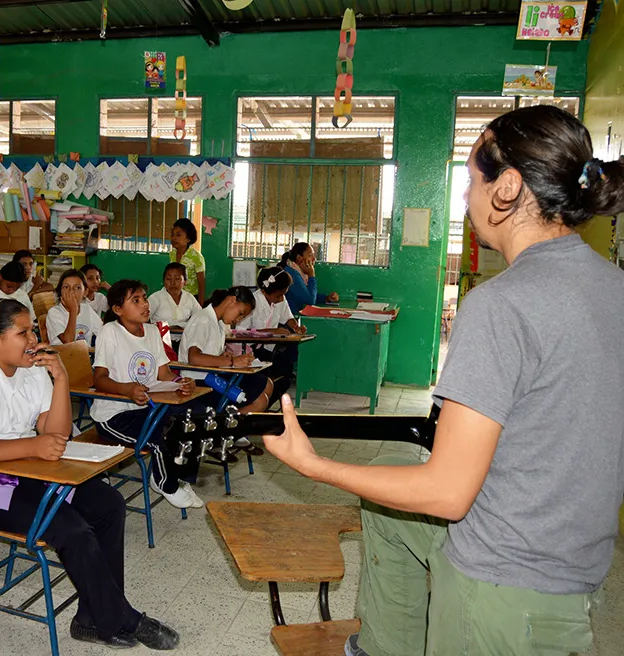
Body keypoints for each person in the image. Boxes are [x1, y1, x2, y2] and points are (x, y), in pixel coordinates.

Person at [264, 105, 624, 656]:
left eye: (472, 178)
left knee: (406, 485)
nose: (464, 197)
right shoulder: (611, 284)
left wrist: (313, 464)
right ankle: (384, 645)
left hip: (500, 586)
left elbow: (448, 493)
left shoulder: (502, 303)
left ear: (506, 188)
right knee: (389, 493)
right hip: (573, 563)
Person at [0, 298, 179, 650]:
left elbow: (56, 434)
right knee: (70, 527)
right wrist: (30, 447)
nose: (33, 339)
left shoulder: (31, 369)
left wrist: (59, 378)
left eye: (33, 330)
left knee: (109, 504)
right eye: (23, 332)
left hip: (27, 471)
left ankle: (92, 618)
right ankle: (123, 618)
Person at [92, 280, 201, 510]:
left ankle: (179, 477)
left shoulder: (152, 331)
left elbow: (163, 372)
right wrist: (127, 390)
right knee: (161, 434)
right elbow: (99, 378)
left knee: (194, 419)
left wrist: (180, 382)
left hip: (148, 406)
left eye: (144, 298)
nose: (145, 305)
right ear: (117, 310)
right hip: (115, 413)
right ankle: (164, 482)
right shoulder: (109, 332)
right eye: (136, 300)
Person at [178, 286, 273, 415]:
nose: (238, 320)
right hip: (199, 381)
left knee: (267, 384)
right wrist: (232, 361)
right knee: (260, 401)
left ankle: (231, 428)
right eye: (240, 313)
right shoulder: (203, 319)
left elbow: (208, 353)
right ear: (231, 301)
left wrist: (224, 356)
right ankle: (228, 430)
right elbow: (194, 357)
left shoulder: (219, 323)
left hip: (213, 375)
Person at [237, 266, 306, 403]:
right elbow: (239, 332)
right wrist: (269, 332)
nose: (281, 299)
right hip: (251, 351)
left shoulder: (280, 299)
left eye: (283, 294)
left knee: (286, 376)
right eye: (278, 296)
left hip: (271, 351)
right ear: (264, 291)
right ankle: (257, 403)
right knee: (265, 379)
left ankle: (264, 404)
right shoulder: (252, 302)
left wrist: (296, 327)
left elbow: (288, 317)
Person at [45, 268, 103, 345]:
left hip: (86, 354)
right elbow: (68, 342)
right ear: (60, 291)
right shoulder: (54, 312)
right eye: (66, 287)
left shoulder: (86, 309)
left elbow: (102, 332)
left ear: (85, 292)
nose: (71, 291)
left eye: (77, 288)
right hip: (63, 355)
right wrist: (73, 310)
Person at [279, 242, 339, 314]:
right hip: (286, 320)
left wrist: (326, 298)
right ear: (299, 258)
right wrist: (311, 275)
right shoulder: (292, 274)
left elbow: (305, 294)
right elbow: (310, 301)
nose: (314, 259)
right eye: (310, 255)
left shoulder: (297, 272)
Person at [149, 262, 202, 329]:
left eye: (177, 279)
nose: (172, 283)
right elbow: (143, 319)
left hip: (184, 337)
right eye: (168, 279)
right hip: (160, 337)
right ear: (164, 281)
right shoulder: (155, 298)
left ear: (185, 282)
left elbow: (201, 316)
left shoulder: (189, 298)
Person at [169, 218, 206, 304]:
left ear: (188, 238)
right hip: (176, 297)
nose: (174, 238)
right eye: (172, 235)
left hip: (192, 299)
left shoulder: (196, 257)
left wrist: (200, 305)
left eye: (178, 235)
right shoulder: (172, 254)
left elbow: (201, 284)